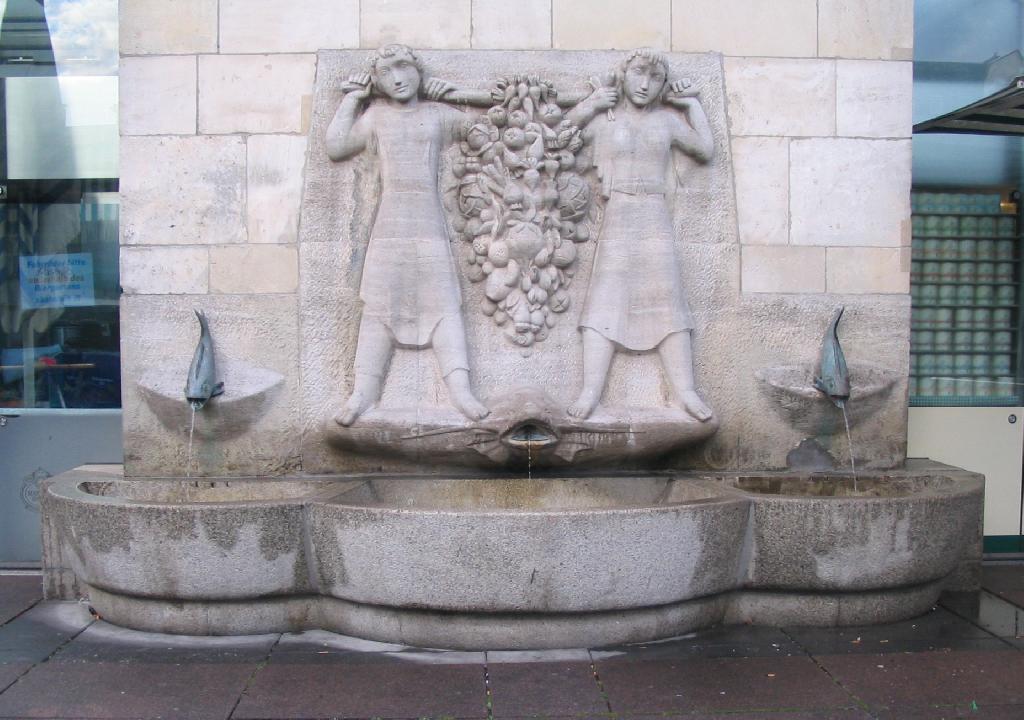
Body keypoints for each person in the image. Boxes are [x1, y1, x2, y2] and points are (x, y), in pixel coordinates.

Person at [325, 44, 490, 426]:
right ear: (377, 81)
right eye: (387, 72)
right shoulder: (377, 116)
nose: (397, 79)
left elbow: (485, 125)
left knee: (444, 302)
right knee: (380, 302)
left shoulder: (436, 114)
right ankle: (362, 394)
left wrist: (457, 94)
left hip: (430, 220)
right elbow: (336, 146)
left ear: (418, 72)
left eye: (404, 69)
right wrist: (352, 99)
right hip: (389, 222)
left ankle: (461, 392)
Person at [567, 48, 714, 422]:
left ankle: (686, 392)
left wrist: (692, 103)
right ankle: (590, 392)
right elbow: (557, 140)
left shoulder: (666, 121)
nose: (645, 85)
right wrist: (590, 104)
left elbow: (705, 148)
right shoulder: (606, 118)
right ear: (624, 75)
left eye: (654, 78)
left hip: (653, 214)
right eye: (638, 74)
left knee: (668, 299)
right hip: (617, 213)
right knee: (605, 299)